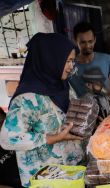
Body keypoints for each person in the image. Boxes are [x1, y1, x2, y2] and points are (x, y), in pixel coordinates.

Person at [0, 33, 84, 187]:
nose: (71, 66)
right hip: (45, 179)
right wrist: (52, 138)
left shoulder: (64, 86)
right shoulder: (27, 99)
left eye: (72, 61)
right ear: (51, 60)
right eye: (67, 61)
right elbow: (7, 138)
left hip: (72, 173)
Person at [69, 21, 110, 98]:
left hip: (106, 108)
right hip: (83, 108)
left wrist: (109, 90)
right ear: (75, 41)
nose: (87, 46)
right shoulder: (70, 66)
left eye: (90, 41)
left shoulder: (107, 58)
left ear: (95, 40)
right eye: (83, 42)